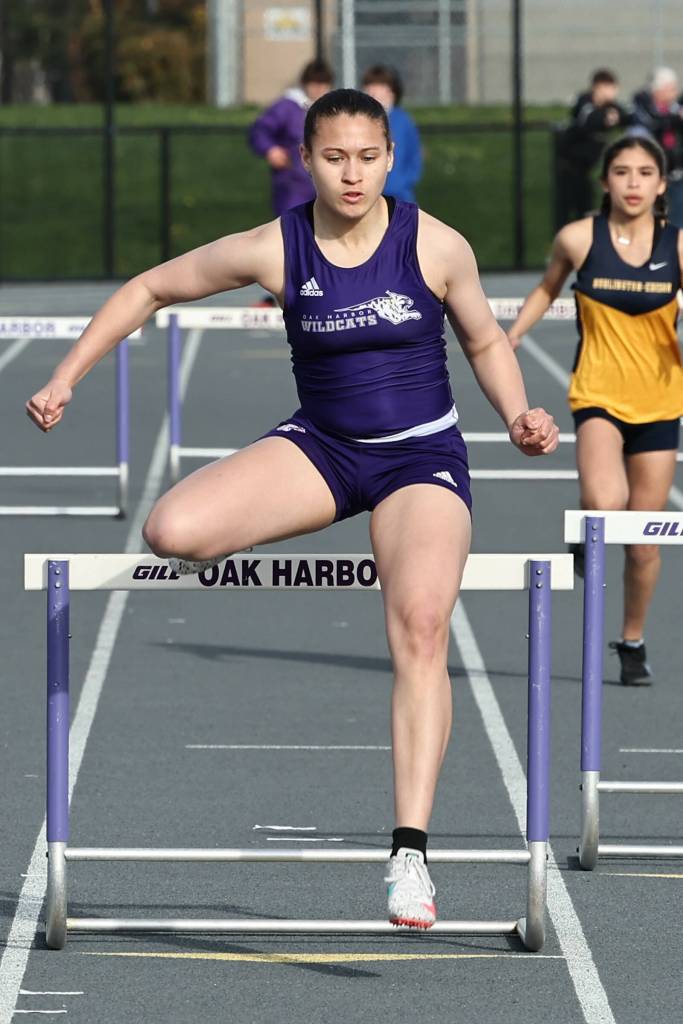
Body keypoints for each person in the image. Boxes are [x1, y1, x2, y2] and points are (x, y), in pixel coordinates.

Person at [27, 89, 558, 928]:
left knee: (419, 621)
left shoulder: (436, 245)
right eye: (335, 157)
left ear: (390, 156)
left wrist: (519, 415)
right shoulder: (277, 247)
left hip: (419, 459)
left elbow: (484, 340)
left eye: (367, 156)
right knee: (173, 530)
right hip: (323, 448)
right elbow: (150, 288)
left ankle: (409, 855)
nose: (352, 174)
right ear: (305, 160)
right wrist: (67, 375)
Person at [508, 135, 683, 686]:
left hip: (659, 400)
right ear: (604, 180)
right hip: (598, 394)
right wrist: (509, 336)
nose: (633, 183)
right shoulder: (579, 238)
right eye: (623, 172)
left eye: (645, 173)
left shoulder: (677, 246)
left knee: (642, 540)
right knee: (606, 503)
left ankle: (632, 640)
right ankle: (587, 530)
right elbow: (546, 288)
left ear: (661, 184)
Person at [249, 59, 334, 216]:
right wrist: (270, 149)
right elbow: (260, 129)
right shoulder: (287, 107)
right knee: (292, 230)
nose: (319, 89)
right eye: (314, 83)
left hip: (326, 185)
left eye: (324, 84)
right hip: (293, 184)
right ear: (304, 83)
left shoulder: (331, 110)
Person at [555, 69, 629, 227]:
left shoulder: (611, 107)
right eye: (611, 88)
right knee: (565, 211)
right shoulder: (585, 102)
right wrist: (605, 119)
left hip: (586, 169)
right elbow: (587, 120)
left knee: (585, 210)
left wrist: (615, 117)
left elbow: (625, 116)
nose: (614, 93)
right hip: (570, 167)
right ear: (599, 87)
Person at [362, 64, 422, 203]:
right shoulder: (361, 121)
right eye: (370, 85)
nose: (373, 90)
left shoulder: (403, 121)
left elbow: (414, 159)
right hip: (369, 198)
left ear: (391, 90)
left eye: (379, 85)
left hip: (400, 197)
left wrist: (401, 183)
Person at [632, 67, 683, 227]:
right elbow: (653, 124)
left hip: (676, 172)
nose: (674, 92)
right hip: (652, 171)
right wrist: (676, 119)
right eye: (670, 88)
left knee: (677, 217)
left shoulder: (676, 107)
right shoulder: (643, 106)